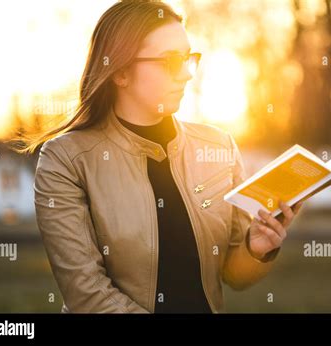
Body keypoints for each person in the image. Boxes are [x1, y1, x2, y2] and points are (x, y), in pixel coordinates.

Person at [24, 0, 302, 313]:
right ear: (120, 72)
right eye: (170, 61)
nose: (186, 74)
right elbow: (86, 294)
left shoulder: (218, 146)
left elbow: (231, 274)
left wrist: (256, 247)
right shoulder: (66, 160)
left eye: (188, 58)